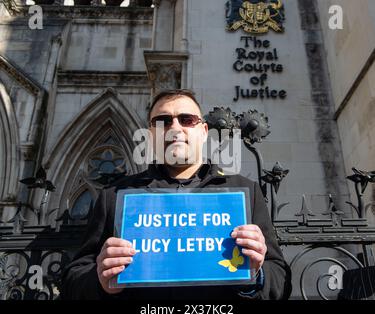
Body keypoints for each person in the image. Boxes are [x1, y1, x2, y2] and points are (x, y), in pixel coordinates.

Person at [61, 89, 292, 300]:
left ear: (203, 131)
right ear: (151, 134)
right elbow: (74, 279)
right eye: (162, 121)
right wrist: (101, 282)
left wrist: (257, 276)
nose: (174, 128)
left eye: (186, 120)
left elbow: (280, 279)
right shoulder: (115, 195)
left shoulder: (245, 192)